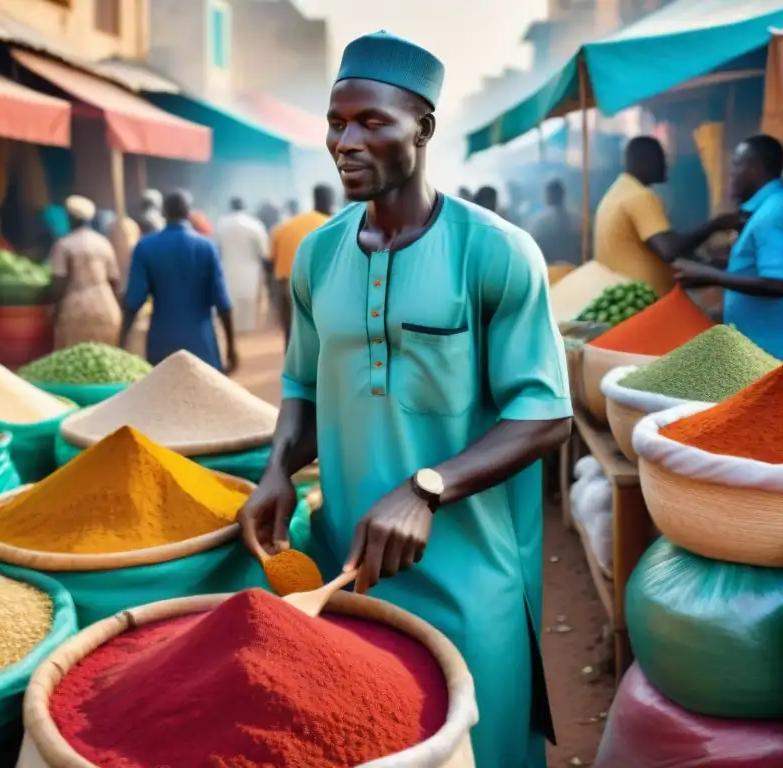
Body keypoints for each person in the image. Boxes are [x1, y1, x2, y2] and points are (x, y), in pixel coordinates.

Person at [237, 31, 571, 768]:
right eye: (336, 122)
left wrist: (429, 487)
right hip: (346, 569)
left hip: (471, 578)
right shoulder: (318, 255)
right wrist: (276, 472)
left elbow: (545, 413)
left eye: (371, 122)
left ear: (422, 128)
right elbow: (301, 385)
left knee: (480, 744)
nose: (345, 141)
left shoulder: (496, 252)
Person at [673, 135, 783, 360]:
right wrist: (715, 268)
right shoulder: (780, 203)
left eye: (736, 165)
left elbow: (778, 283)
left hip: (773, 352)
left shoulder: (773, 214)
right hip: (762, 348)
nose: (731, 174)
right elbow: (758, 266)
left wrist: (709, 274)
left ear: (756, 168)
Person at [594, 136, 740, 295]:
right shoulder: (640, 196)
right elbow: (670, 249)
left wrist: (707, 265)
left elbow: (656, 247)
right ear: (645, 161)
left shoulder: (617, 193)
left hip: (620, 297)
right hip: (642, 304)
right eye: (662, 159)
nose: (666, 165)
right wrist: (715, 225)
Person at [120, 190, 238, 373]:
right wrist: (231, 348)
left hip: (162, 343)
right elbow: (223, 303)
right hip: (202, 344)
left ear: (163, 213)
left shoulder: (145, 247)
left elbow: (134, 301)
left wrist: (121, 343)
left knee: (163, 397)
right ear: (189, 213)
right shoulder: (207, 247)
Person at [50, 196, 122, 351]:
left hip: (76, 311)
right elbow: (115, 280)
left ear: (70, 218)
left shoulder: (64, 244)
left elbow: (59, 282)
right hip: (107, 309)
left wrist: (53, 308)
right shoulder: (104, 243)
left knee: (75, 360)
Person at [269, 184, 333, 348]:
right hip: (316, 281)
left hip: (285, 280)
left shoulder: (286, 225)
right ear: (330, 201)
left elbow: (271, 260)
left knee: (291, 328)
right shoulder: (332, 224)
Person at [216, 197, 270, 332]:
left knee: (231, 309)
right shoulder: (255, 225)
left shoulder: (220, 225)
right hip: (251, 274)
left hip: (228, 272)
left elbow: (217, 251)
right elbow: (264, 253)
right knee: (249, 314)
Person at [528, 178, 581, 263]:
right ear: (563, 196)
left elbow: (532, 252)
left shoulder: (538, 223)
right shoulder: (577, 221)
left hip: (549, 272)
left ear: (547, 196)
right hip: (573, 271)